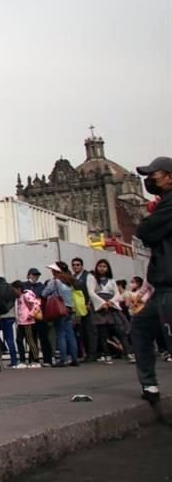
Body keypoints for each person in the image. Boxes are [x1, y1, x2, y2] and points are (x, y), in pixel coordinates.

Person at [130, 156, 172, 405]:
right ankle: (149, 384)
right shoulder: (163, 203)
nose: (149, 180)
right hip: (160, 288)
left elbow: (145, 231)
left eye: (153, 174)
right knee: (140, 328)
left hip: (169, 287)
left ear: (169, 176)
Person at [88, 259, 132, 364]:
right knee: (103, 332)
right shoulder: (92, 278)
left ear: (107, 268)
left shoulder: (111, 280)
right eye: (100, 266)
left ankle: (129, 353)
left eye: (104, 266)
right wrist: (102, 303)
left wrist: (110, 302)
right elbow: (91, 292)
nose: (102, 268)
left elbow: (116, 293)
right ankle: (107, 355)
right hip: (99, 306)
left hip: (111, 306)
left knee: (119, 330)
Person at [43, 262, 79, 367]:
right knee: (70, 334)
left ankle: (63, 359)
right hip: (70, 309)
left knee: (60, 334)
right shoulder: (69, 281)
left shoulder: (54, 281)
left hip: (60, 309)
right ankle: (74, 358)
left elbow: (44, 293)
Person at [23, 267, 54, 367]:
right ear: (28, 275)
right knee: (32, 339)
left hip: (40, 315)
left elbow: (43, 297)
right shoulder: (24, 286)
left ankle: (47, 359)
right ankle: (33, 359)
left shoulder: (41, 286)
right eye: (33, 275)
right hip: (29, 316)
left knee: (43, 337)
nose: (35, 277)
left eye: (37, 275)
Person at [70, 257, 96, 361]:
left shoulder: (88, 276)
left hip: (87, 306)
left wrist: (89, 303)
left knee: (90, 330)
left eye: (77, 264)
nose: (75, 266)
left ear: (82, 266)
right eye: (74, 265)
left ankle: (93, 353)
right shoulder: (73, 277)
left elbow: (91, 291)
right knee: (82, 331)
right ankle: (85, 353)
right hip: (78, 308)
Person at [11, 281, 42, 367]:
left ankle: (35, 360)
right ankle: (22, 360)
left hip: (28, 322)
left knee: (30, 341)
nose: (13, 292)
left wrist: (31, 314)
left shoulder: (26, 295)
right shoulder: (18, 297)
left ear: (18, 289)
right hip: (21, 322)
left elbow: (36, 303)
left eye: (14, 289)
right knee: (19, 340)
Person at [0, 276, 20, 368]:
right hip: (11, 316)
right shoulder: (10, 289)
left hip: (2, 317)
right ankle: (14, 359)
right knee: (10, 339)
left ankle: (3, 349)